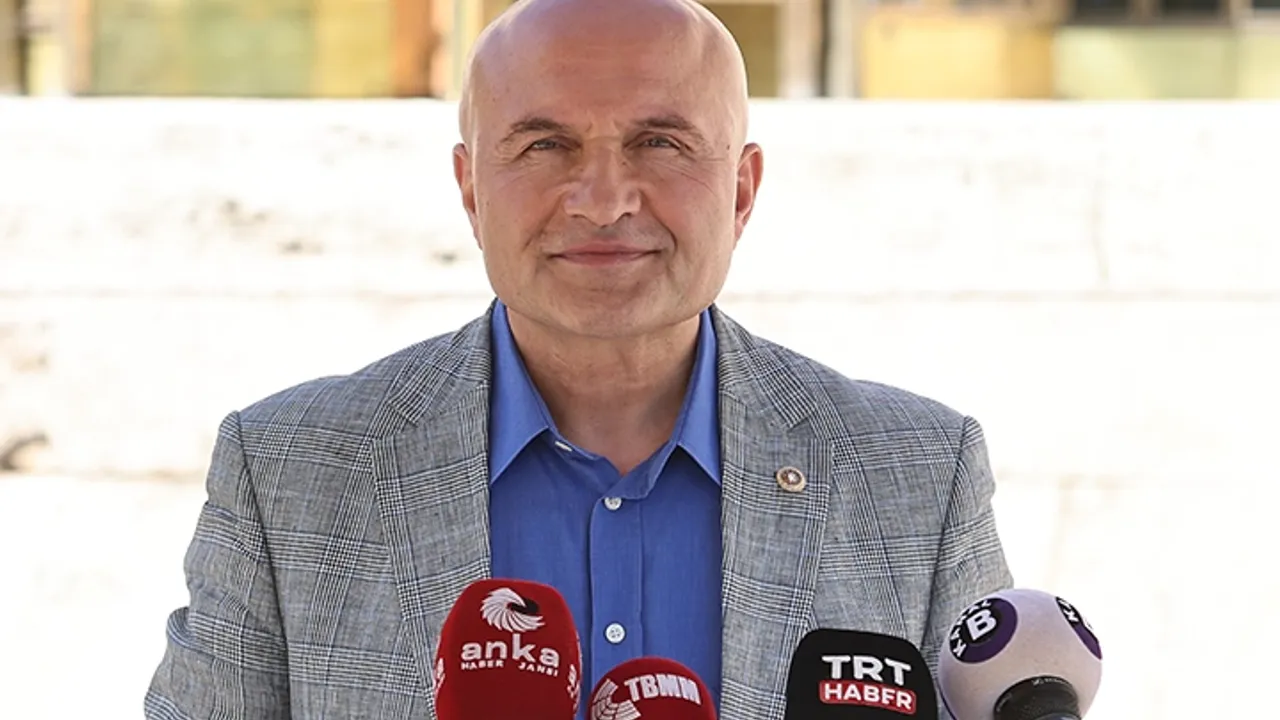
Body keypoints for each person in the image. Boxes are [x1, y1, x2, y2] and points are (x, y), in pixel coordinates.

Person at [144, 0, 1013, 718]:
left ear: (741, 191)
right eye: (545, 145)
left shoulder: (918, 477)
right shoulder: (290, 472)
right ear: (471, 190)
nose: (603, 201)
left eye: (659, 143)